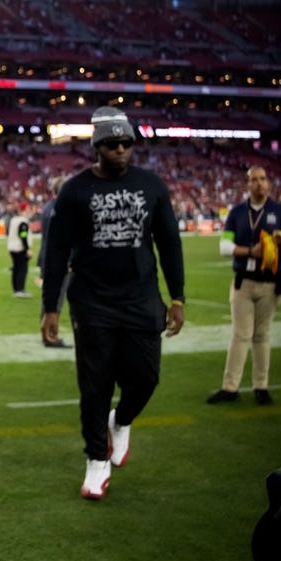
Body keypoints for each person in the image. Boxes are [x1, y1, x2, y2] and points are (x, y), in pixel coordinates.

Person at [41, 106, 185, 501]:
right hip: (92, 302)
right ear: (97, 147)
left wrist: (177, 297)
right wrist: (50, 307)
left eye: (127, 144)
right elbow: (56, 251)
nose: (121, 150)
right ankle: (96, 460)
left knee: (145, 378)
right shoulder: (74, 190)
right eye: (112, 144)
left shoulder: (152, 185)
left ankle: (120, 421)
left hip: (142, 299)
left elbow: (169, 243)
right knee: (95, 384)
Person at [208, 166, 281, 406]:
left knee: (262, 336)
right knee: (240, 335)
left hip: (271, 283)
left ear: (268, 183)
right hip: (243, 283)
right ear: (247, 185)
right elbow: (224, 247)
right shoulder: (237, 212)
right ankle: (230, 388)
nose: (259, 183)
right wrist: (251, 251)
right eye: (254, 180)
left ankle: (261, 386)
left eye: (263, 179)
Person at [37, 175, 72, 348]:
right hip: (58, 261)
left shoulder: (47, 207)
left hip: (46, 258)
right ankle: (51, 336)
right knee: (55, 300)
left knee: (49, 298)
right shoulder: (60, 208)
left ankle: (46, 333)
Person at [7, 201, 32, 298]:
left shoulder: (14, 220)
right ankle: (20, 289)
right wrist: (27, 249)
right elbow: (23, 235)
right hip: (19, 248)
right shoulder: (23, 221)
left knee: (16, 269)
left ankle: (16, 289)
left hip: (12, 248)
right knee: (22, 269)